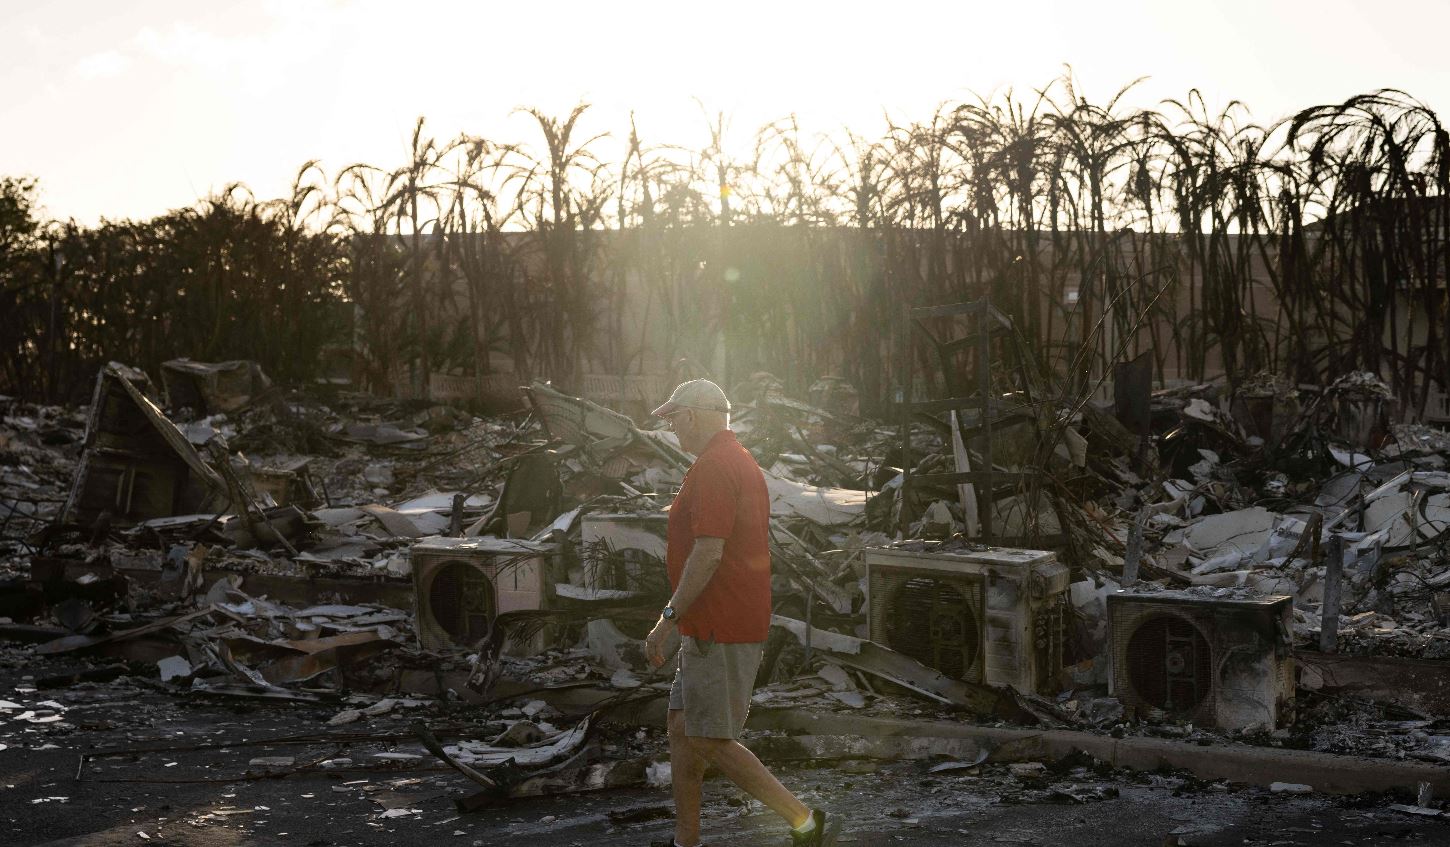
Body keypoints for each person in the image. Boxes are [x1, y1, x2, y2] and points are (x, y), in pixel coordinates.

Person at [644, 379, 835, 847]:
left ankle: (805, 823)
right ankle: (685, 841)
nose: (670, 429)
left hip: (718, 625)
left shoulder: (715, 466)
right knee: (682, 726)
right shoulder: (731, 460)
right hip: (712, 621)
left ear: (692, 415)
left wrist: (666, 618)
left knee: (709, 738)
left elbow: (709, 552)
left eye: (672, 419)